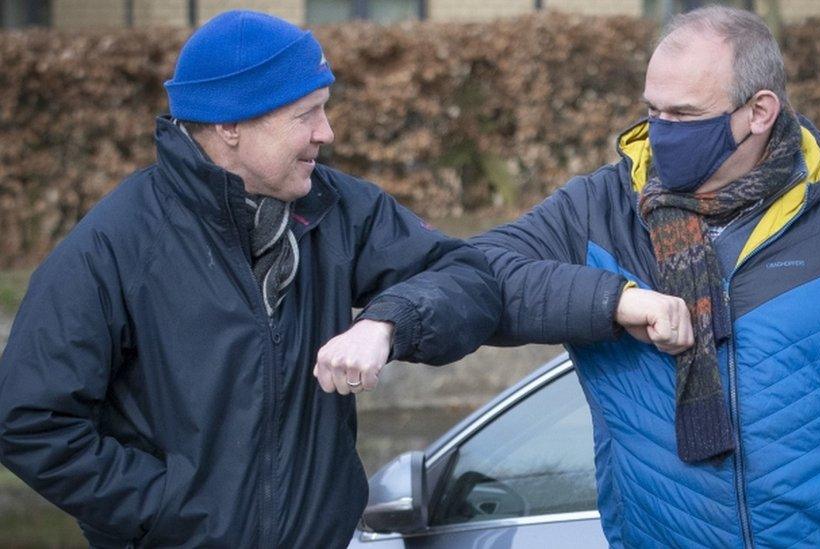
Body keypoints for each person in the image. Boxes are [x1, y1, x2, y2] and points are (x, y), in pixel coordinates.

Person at [472, 6, 820, 548]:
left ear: (759, 111)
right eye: (652, 111)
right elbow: (476, 276)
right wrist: (614, 300)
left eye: (685, 117)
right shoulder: (599, 211)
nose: (661, 134)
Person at [0, 10, 499, 547]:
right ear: (230, 125)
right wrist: (172, 513)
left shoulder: (338, 208)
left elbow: (467, 276)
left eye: (324, 111)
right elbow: (30, 420)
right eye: (305, 115)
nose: (325, 133)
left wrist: (386, 323)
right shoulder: (114, 245)